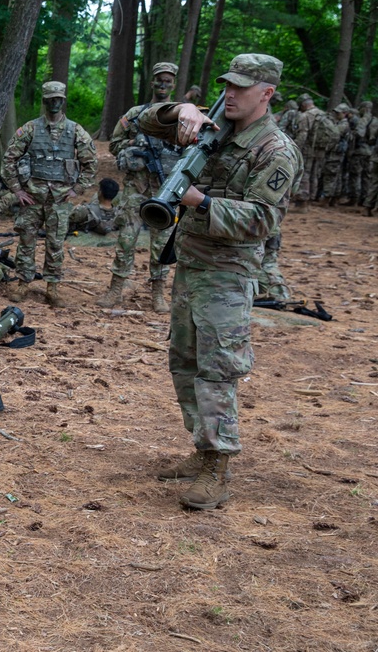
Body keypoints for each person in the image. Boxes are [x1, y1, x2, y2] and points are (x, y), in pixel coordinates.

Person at [138, 54, 302, 510]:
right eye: (227, 85)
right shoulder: (211, 125)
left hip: (228, 274)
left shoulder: (275, 149)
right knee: (184, 360)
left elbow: (263, 221)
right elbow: (132, 122)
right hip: (191, 264)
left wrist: (200, 201)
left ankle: (217, 466)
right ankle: (201, 447)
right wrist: (178, 111)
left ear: (266, 94)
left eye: (242, 88)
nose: (230, 93)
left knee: (218, 368)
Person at [1, 80, 97, 307]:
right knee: (26, 241)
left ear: (63, 101)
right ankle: (24, 282)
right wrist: (16, 189)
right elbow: (9, 158)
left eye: (58, 99)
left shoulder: (76, 131)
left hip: (60, 200)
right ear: (44, 101)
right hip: (33, 197)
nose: (54, 103)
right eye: (50, 99)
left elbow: (90, 162)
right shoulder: (31, 129)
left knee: (55, 244)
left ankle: (52, 287)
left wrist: (77, 189)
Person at [97, 62, 183, 313]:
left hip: (166, 189)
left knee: (162, 243)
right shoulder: (135, 113)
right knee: (126, 239)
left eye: (168, 81)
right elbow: (114, 144)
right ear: (152, 82)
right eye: (159, 80)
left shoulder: (181, 114)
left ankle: (158, 294)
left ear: (174, 84)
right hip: (136, 188)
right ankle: (115, 289)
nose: (163, 84)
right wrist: (136, 145)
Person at [293, 94, 324, 204]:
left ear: (303, 104)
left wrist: (294, 149)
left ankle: (302, 199)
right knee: (315, 174)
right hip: (320, 149)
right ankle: (312, 196)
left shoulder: (305, 116)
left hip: (307, 149)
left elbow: (302, 135)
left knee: (304, 173)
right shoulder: (323, 114)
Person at [349, 101, 377, 206]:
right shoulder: (375, 120)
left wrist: (352, 133)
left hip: (360, 151)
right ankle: (365, 199)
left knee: (356, 175)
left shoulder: (363, 120)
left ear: (364, 108)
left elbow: (359, 134)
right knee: (367, 176)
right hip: (371, 151)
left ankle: (354, 198)